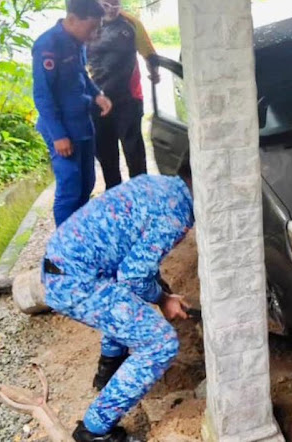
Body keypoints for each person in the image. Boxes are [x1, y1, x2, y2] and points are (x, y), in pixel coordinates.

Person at [41, 172, 194, 442]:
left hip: (65, 264)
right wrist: (163, 299)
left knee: (124, 300)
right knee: (161, 343)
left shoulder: (162, 184)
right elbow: (133, 276)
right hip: (74, 283)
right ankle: (94, 430)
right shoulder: (178, 211)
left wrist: (159, 288)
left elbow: (132, 257)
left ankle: (109, 370)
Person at [32, 0, 112, 227]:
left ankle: (81, 236)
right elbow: (42, 95)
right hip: (62, 130)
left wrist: (97, 95)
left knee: (87, 183)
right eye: (91, 28)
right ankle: (65, 250)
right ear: (73, 19)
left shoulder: (78, 43)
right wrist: (58, 135)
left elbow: (81, 76)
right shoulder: (48, 45)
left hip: (82, 124)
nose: (93, 35)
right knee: (70, 187)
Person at [87, 0, 162, 190]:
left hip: (128, 100)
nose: (112, 9)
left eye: (116, 4)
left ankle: (142, 197)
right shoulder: (89, 25)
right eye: (106, 5)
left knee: (135, 154)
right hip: (97, 103)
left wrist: (153, 72)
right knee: (107, 157)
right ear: (96, 1)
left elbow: (149, 53)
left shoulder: (131, 24)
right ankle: (117, 201)